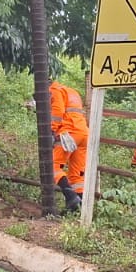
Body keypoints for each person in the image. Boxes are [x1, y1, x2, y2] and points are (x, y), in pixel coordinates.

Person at [48, 69, 88, 214]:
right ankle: (79, 208)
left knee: (53, 166)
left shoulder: (54, 91)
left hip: (68, 134)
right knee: (76, 175)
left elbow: (57, 111)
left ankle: (71, 197)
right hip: (83, 134)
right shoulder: (72, 92)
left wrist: (51, 130)